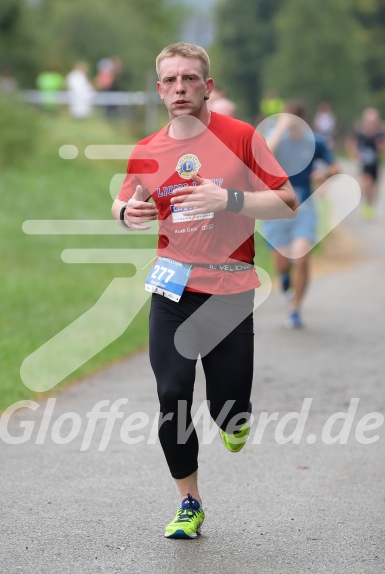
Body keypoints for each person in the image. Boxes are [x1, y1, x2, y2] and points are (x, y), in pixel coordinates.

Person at [111, 42, 298, 539]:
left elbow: (287, 202)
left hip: (230, 292)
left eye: (189, 79)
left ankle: (234, 421)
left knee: (227, 405)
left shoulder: (241, 138)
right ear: (159, 89)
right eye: (170, 80)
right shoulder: (148, 149)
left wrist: (229, 197)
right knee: (172, 394)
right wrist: (128, 213)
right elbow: (123, 201)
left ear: (207, 86)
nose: (179, 87)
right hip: (173, 288)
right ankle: (189, 501)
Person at [262, 101, 339, 329]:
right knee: (282, 262)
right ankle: (286, 280)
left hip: (304, 207)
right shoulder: (275, 137)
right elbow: (264, 155)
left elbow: (335, 167)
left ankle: (295, 309)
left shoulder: (315, 141)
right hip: (276, 207)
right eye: (288, 121)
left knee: (302, 258)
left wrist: (323, 173)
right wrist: (280, 127)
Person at [346, 107, 385, 219]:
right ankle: (367, 206)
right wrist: (354, 153)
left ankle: (370, 205)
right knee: (366, 183)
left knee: (374, 187)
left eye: (373, 121)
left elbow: (382, 148)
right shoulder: (360, 133)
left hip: (375, 164)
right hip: (364, 164)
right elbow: (351, 143)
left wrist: (380, 146)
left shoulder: (379, 134)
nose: (371, 123)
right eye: (369, 121)